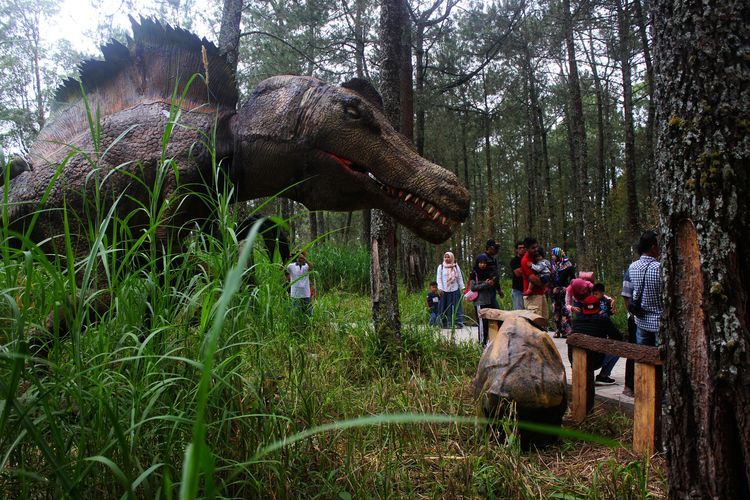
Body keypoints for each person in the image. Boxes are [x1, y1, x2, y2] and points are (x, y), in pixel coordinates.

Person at [571, 295, 622, 384]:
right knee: (618, 347)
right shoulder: (603, 319)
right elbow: (618, 337)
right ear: (599, 307)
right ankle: (603, 376)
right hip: (594, 361)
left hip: (574, 360)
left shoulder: (575, 321)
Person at [627, 231, 663, 346]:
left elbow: (628, 292)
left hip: (641, 321)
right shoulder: (660, 268)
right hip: (659, 323)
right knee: (661, 358)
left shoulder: (632, 267)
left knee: (643, 358)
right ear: (653, 247)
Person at [471, 254, 499, 346]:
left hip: (488, 301)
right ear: (477, 263)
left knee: (488, 324)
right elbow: (473, 287)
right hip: (479, 302)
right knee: (481, 324)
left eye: (484, 263)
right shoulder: (474, 273)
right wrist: (485, 284)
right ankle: (481, 344)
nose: (482, 265)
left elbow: (492, 283)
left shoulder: (488, 272)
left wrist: (492, 282)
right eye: (480, 263)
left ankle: (488, 343)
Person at [520, 237, 549, 322]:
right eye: (533, 248)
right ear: (526, 249)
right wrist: (544, 284)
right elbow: (533, 279)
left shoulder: (536, 256)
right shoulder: (525, 261)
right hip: (532, 296)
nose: (536, 249)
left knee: (543, 319)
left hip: (540, 293)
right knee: (535, 321)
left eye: (536, 247)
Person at [550, 247, 575, 338]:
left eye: (553, 255)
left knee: (565, 310)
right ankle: (557, 330)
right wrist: (552, 287)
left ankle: (566, 331)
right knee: (556, 310)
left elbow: (573, 279)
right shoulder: (553, 265)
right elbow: (551, 278)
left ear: (558, 255)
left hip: (565, 291)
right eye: (552, 255)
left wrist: (568, 288)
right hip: (555, 292)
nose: (552, 256)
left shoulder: (568, 264)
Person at [436, 251, 465, 328]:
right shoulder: (441, 267)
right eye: (445, 257)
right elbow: (439, 278)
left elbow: (459, 278)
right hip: (444, 290)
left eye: (448, 257)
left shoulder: (455, 266)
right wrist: (440, 288)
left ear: (452, 258)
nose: (447, 258)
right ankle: (444, 323)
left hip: (455, 290)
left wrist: (462, 288)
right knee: (444, 306)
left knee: (456, 307)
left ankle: (458, 323)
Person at [621, 266, 637, 397]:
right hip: (636, 318)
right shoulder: (632, 269)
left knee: (633, 350)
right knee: (633, 350)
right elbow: (626, 296)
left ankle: (629, 386)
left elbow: (626, 295)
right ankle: (629, 386)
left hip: (634, 316)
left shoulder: (631, 268)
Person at [287, 250, 313, 316]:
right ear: (297, 258)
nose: (301, 259)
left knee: (308, 312)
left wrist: (305, 259)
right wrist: (289, 257)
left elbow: (312, 267)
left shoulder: (306, 266)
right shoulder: (291, 266)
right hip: (295, 294)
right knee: (295, 313)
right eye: (299, 257)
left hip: (305, 293)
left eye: (302, 258)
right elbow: (283, 267)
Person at [509, 241, 525, 310]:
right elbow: (518, 273)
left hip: (527, 289)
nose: (522, 249)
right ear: (516, 250)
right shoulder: (514, 261)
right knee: (518, 312)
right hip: (517, 290)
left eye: (523, 248)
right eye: (520, 248)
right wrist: (528, 268)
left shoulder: (528, 259)